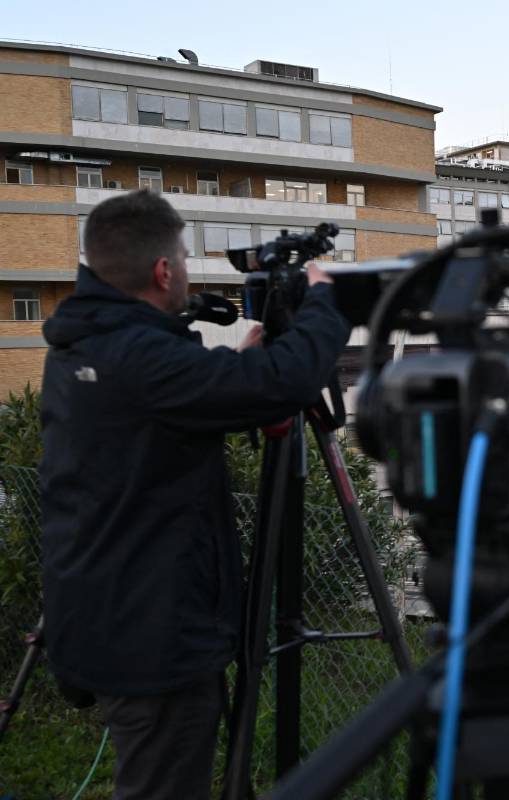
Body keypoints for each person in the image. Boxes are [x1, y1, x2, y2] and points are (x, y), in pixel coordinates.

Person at [39, 190, 352, 800]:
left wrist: (231, 373)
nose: (184, 267)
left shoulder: (85, 339)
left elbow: (151, 421)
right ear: (163, 270)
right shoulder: (140, 355)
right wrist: (325, 304)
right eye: (182, 257)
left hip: (109, 614)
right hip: (150, 639)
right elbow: (285, 380)